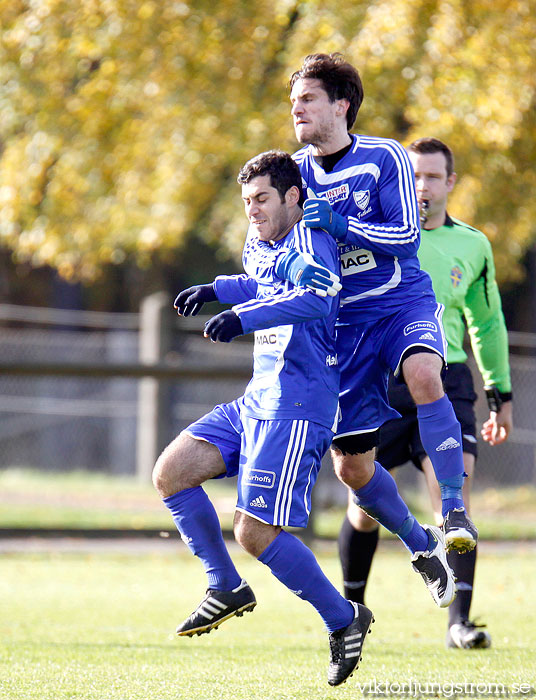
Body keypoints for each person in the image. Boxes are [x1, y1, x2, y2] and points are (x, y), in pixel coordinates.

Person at [153, 149, 374, 688]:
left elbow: (317, 295)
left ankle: (345, 620)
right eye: (247, 201)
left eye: (262, 200)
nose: (252, 210)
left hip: (297, 405)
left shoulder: (309, 242)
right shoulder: (264, 240)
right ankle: (224, 585)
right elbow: (262, 280)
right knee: (171, 471)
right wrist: (219, 290)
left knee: (252, 530)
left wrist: (243, 317)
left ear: (294, 197)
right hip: (257, 399)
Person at [274, 53, 478, 556]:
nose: (296, 110)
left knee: (426, 376)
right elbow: (267, 247)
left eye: (308, 99)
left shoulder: (384, 157)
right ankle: (418, 544)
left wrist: (342, 226)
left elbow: (407, 237)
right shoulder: (292, 173)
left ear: (342, 104)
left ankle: (453, 507)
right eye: (293, 101)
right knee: (353, 470)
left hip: (399, 305)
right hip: (344, 327)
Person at [338, 137, 513, 650]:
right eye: (413, 176)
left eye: (433, 177)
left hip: (448, 380)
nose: (422, 187)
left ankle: (459, 622)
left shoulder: (472, 246)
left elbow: (488, 323)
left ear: (450, 183)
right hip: (382, 381)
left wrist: (499, 393)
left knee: (452, 499)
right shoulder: (372, 239)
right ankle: (352, 613)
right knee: (361, 505)